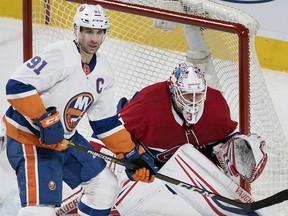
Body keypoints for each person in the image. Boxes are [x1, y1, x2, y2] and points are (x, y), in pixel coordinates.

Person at [2, 4, 157, 216]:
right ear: (78, 31)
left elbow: (105, 123)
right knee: (40, 212)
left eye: (99, 32)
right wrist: (43, 118)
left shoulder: (104, 72)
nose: (94, 39)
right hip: (28, 138)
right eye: (88, 31)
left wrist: (130, 154)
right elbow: (16, 86)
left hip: (64, 141)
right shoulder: (60, 55)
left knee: (105, 186)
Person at [90, 62, 269, 215]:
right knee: (107, 185)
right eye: (186, 95)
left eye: (197, 95)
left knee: (187, 155)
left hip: (182, 166)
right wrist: (123, 159)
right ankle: (104, 205)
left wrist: (235, 148)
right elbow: (108, 132)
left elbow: (221, 137)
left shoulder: (215, 105)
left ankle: (237, 211)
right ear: (174, 91)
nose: (192, 102)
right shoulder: (148, 104)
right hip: (143, 161)